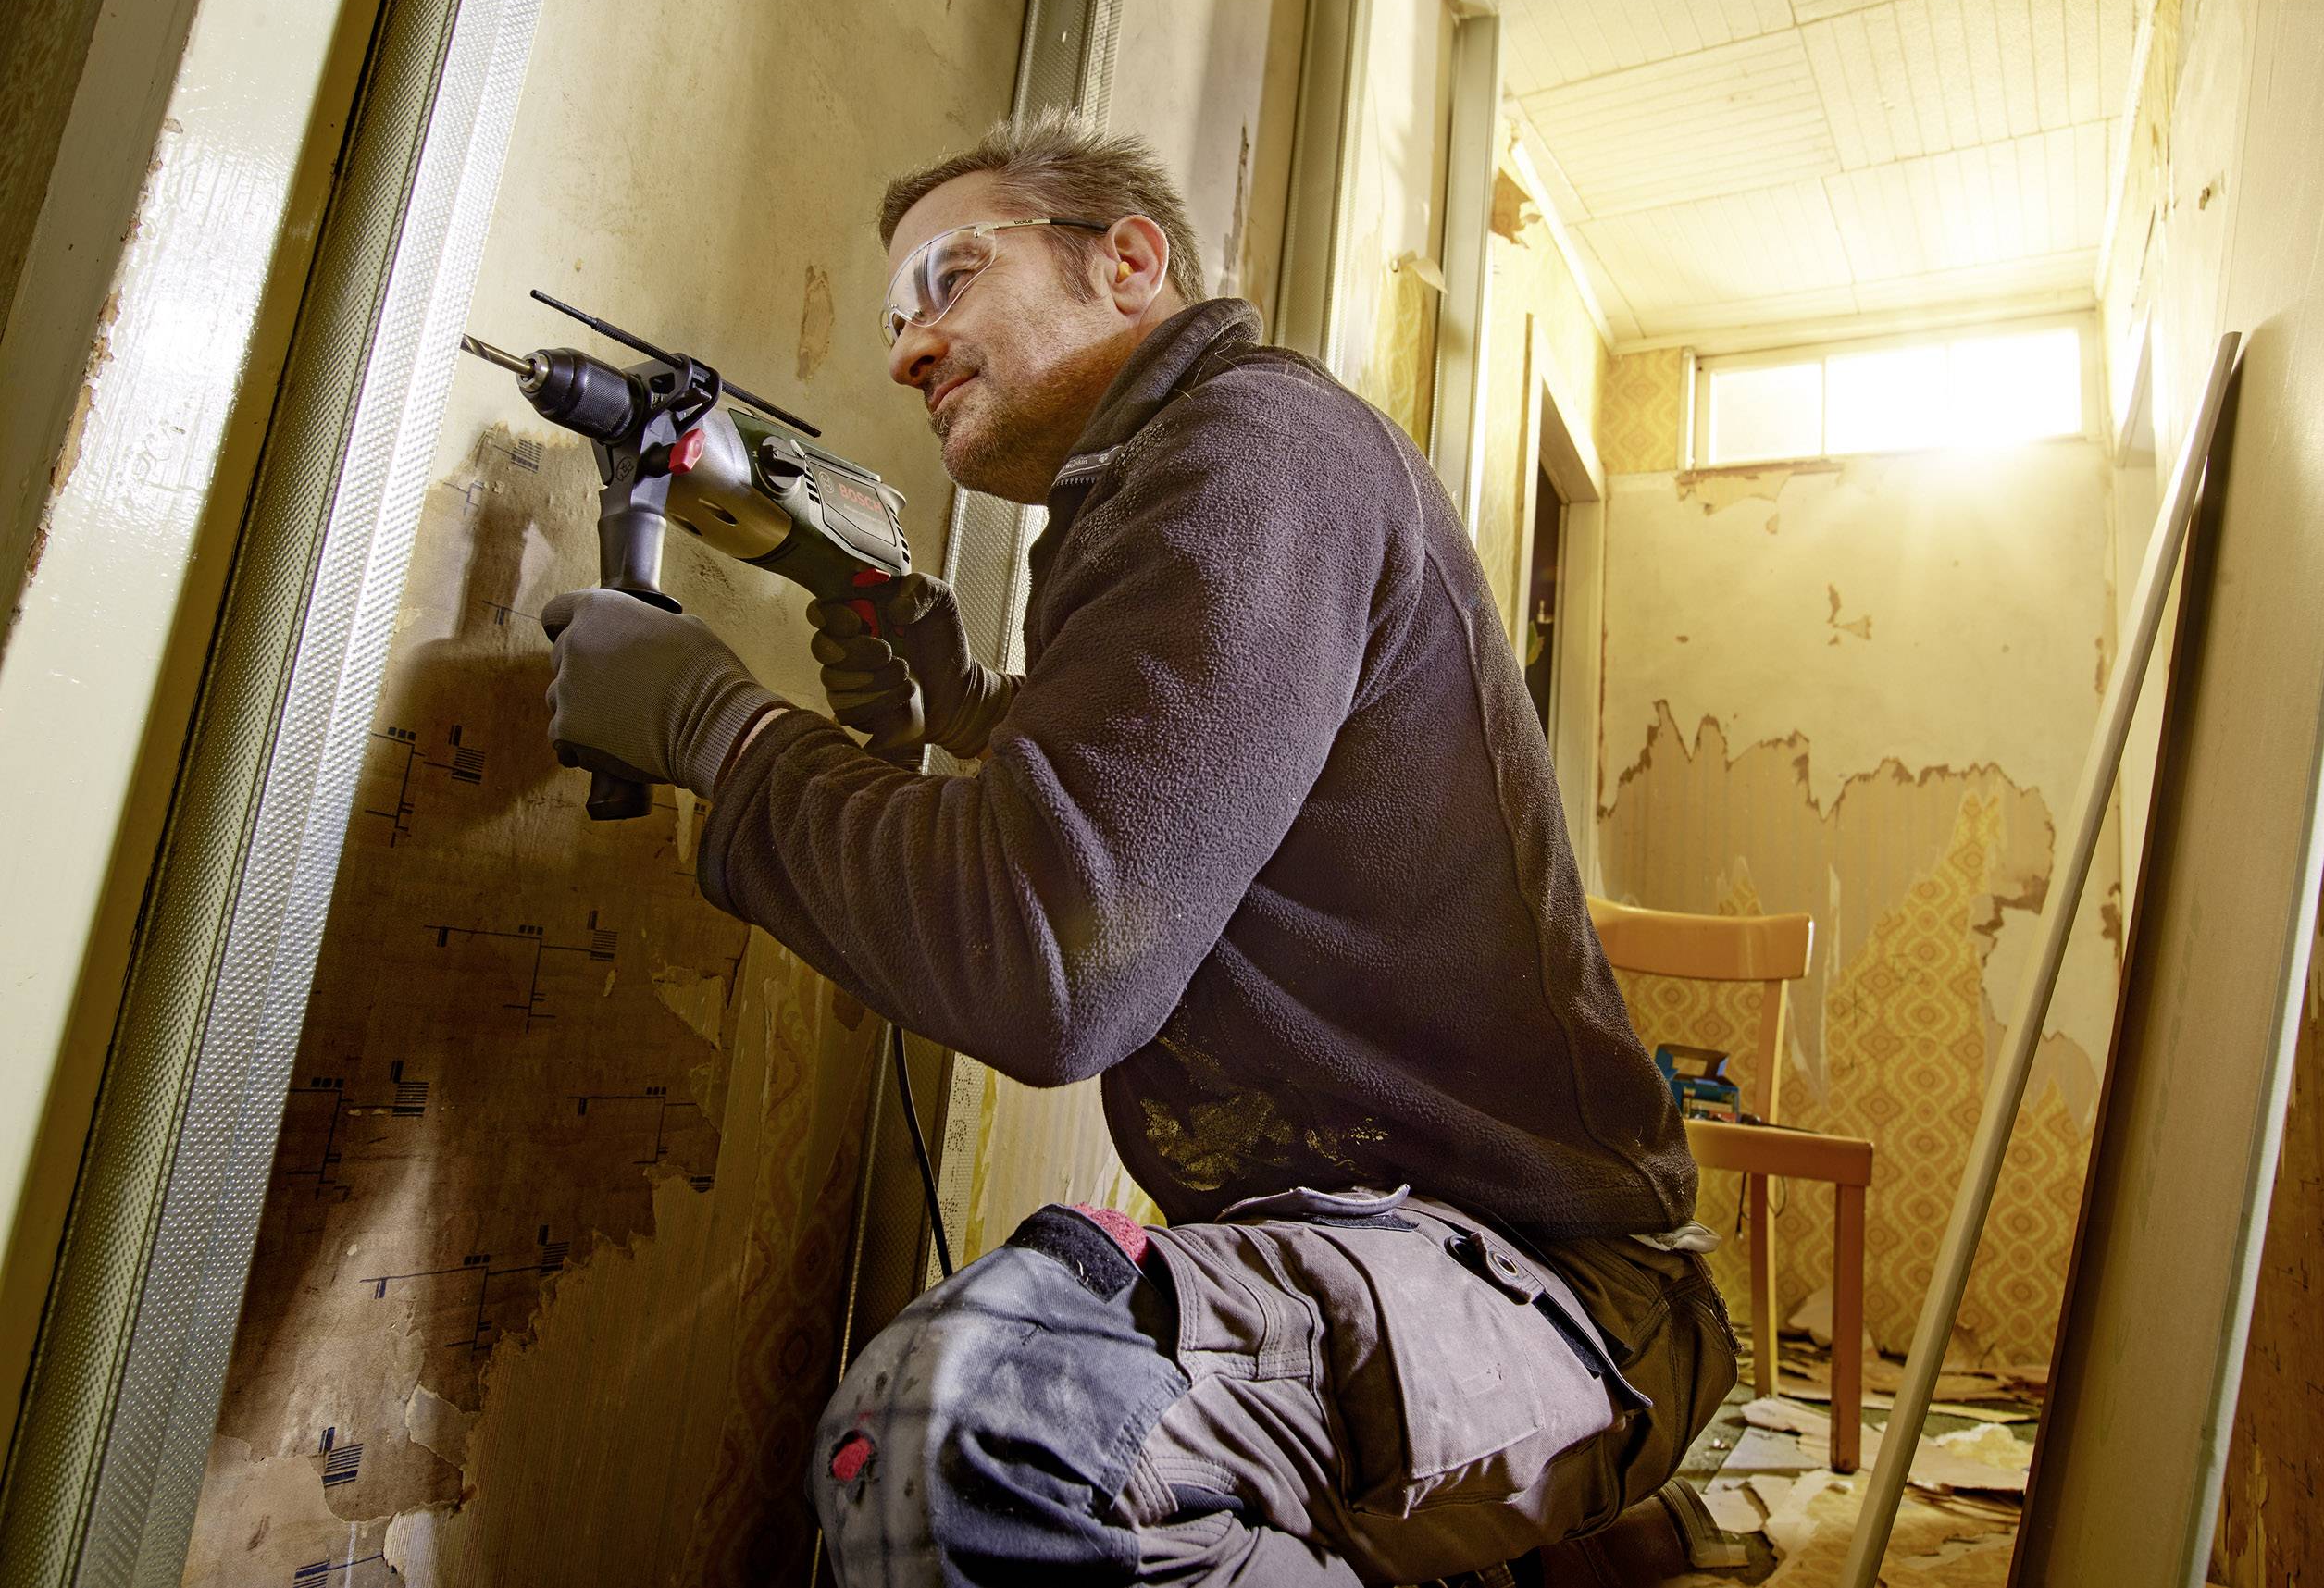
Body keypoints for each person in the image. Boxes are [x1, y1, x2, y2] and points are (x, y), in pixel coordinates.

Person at [539, 111, 1734, 1585]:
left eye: (952, 280)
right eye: (897, 319)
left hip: (1547, 1290)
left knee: (969, 1436)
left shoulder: (1252, 451)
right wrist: (972, 714)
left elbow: (1054, 964)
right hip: (1379, 1255)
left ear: (1128, 263)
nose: (909, 349)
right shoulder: (1156, 499)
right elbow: (1167, 807)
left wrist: (717, 730)